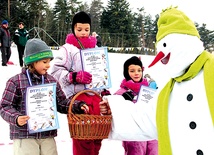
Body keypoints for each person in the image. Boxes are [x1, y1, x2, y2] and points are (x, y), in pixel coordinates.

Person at [99, 7, 214, 155]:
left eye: (165, 46)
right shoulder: (167, 94)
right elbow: (143, 120)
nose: (161, 56)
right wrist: (113, 110)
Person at [0, 38, 86, 155]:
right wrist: (16, 118)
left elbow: (61, 103)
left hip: (47, 134)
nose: (48, 65)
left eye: (49, 61)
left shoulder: (51, 80)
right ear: (33, 62)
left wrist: (77, 106)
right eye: (44, 62)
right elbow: (5, 106)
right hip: (25, 136)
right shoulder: (16, 81)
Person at [50, 11, 104, 155]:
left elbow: (102, 72)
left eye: (86, 30)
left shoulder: (95, 49)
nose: (83, 33)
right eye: (79, 29)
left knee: (96, 137)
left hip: (95, 98)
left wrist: (103, 86)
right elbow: (54, 72)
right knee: (82, 138)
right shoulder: (67, 49)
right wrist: (73, 77)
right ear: (73, 29)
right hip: (78, 98)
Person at [114, 56, 158, 155]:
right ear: (127, 72)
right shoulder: (122, 91)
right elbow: (115, 109)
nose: (137, 73)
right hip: (134, 134)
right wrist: (123, 101)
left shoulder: (148, 90)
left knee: (154, 151)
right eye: (132, 71)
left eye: (139, 70)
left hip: (150, 131)